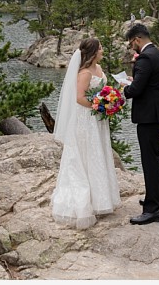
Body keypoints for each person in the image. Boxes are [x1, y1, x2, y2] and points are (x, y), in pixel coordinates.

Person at [51, 37, 121, 229]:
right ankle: (85, 202)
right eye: (100, 48)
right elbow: (79, 98)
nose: (103, 51)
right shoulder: (84, 73)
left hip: (98, 119)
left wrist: (111, 101)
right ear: (92, 52)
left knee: (98, 153)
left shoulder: (98, 69)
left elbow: (105, 89)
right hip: (86, 119)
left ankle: (101, 199)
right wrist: (99, 106)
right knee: (85, 155)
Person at [122, 22, 159, 225]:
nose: (131, 47)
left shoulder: (144, 58)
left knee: (149, 161)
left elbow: (136, 90)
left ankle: (152, 210)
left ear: (137, 39)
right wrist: (134, 80)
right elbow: (153, 82)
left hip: (149, 116)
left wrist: (123, 89)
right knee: (155, 157)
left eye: (131, 43)